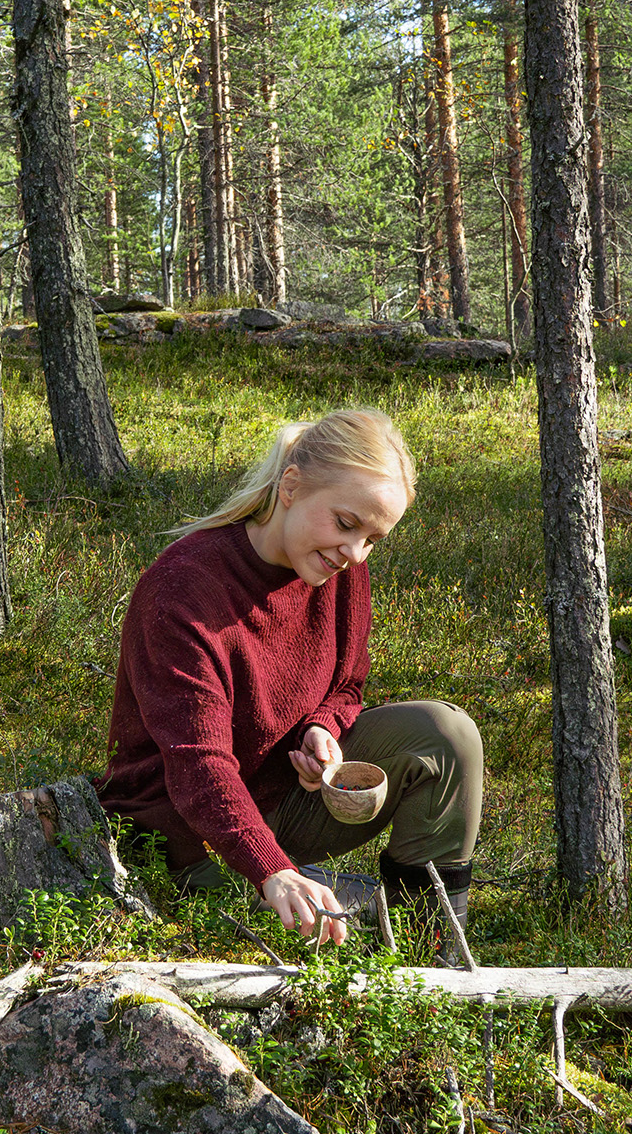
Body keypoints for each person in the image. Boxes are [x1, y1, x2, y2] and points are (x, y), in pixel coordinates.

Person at [97, 407, 484, 950]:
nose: (354, 553)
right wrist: (272, 870)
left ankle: (431, 948)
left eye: (374, 539)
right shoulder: (183, 589)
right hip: (179, 826)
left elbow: (348, 683)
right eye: (346, 524)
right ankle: (295, 894)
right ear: (291, 486)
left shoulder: (338, 569)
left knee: (446, 736)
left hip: (276, 803)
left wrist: (322, 728)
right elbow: (198, 765)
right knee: (226, 934)